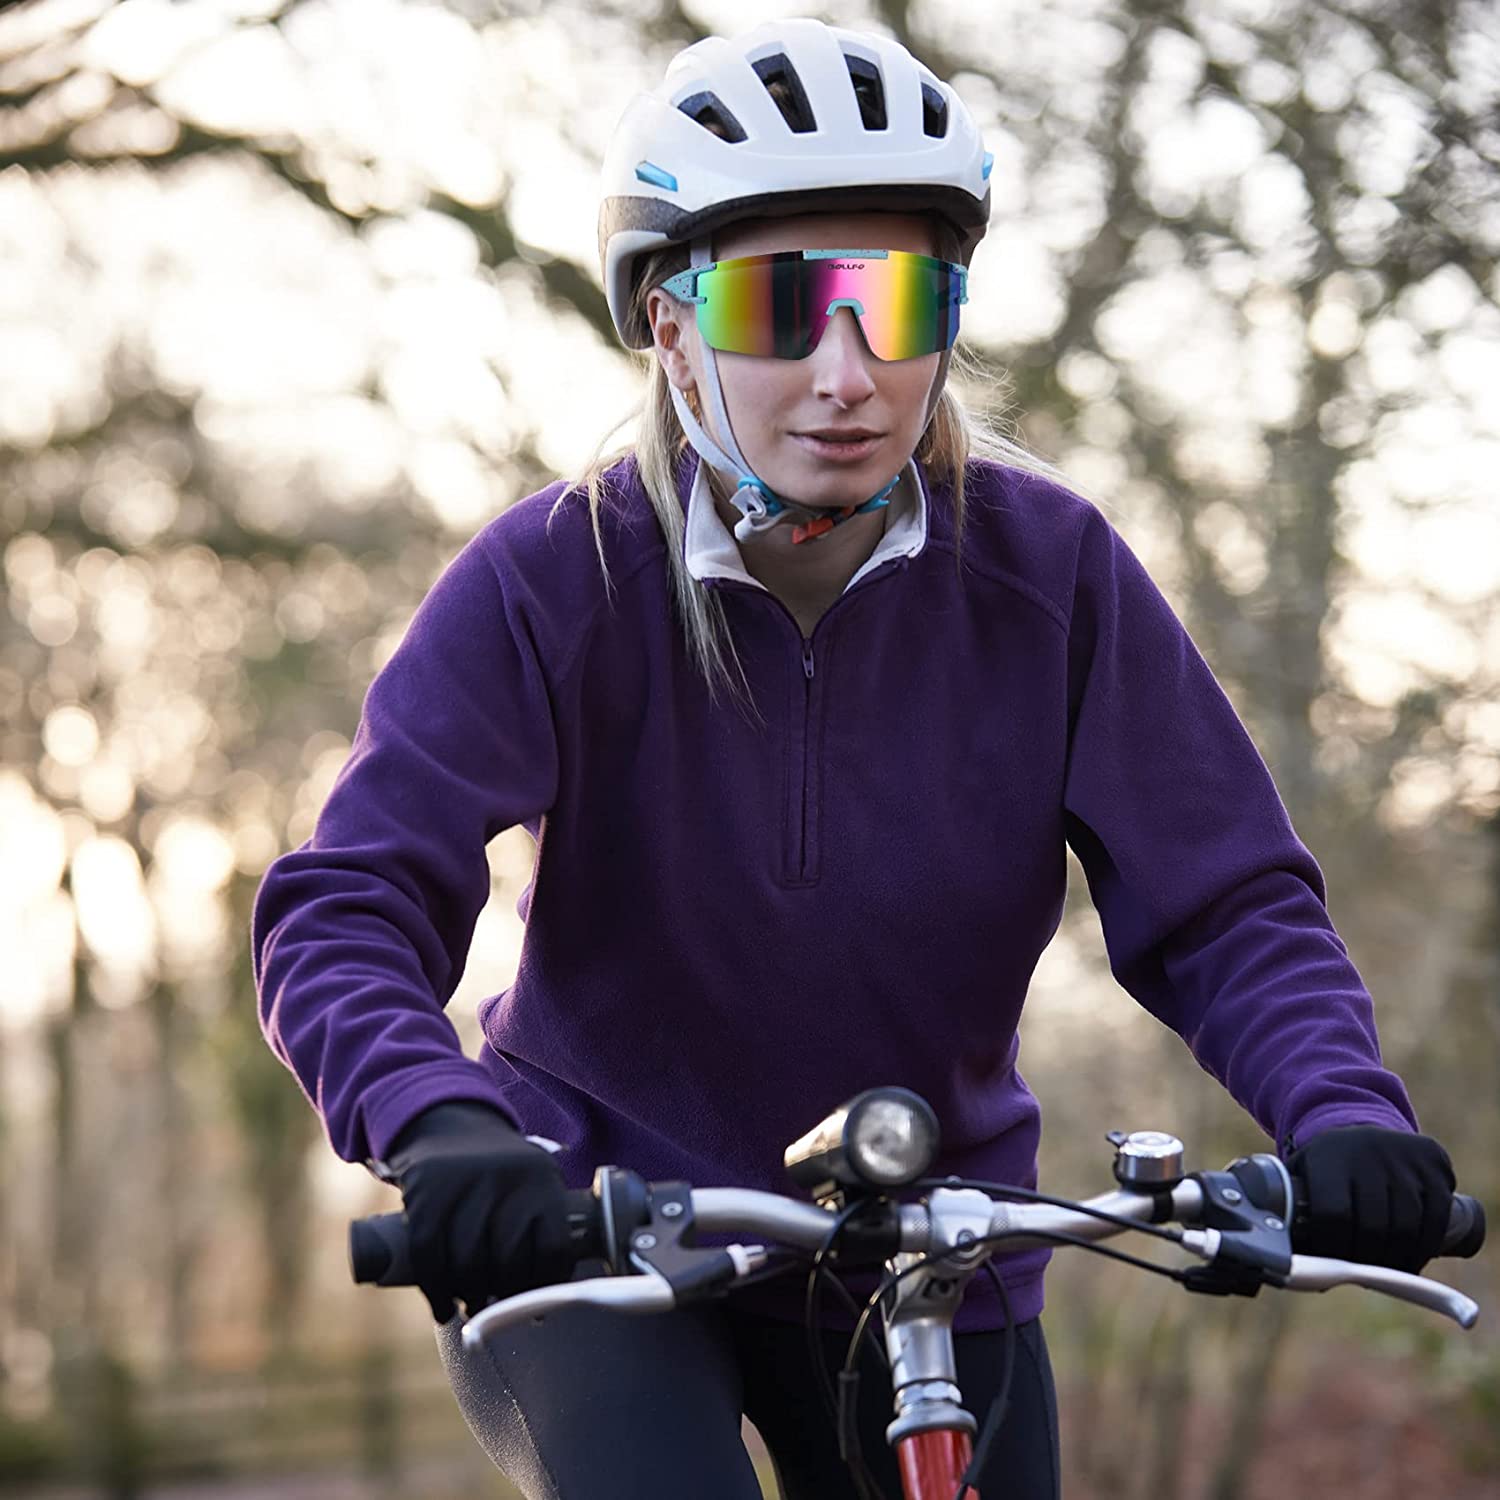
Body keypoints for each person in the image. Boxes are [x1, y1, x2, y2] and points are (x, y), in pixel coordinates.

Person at [250, 18, 1458, 1500]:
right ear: (669, 327)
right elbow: (350, 900)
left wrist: (1344, 1114)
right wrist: (441, 1125)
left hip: (931, 1241)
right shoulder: (556, 580)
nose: (849, 371)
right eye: (780, 305)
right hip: (597, 1233)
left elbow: (1226, 907)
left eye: (895, 302)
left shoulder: (1052, 579)